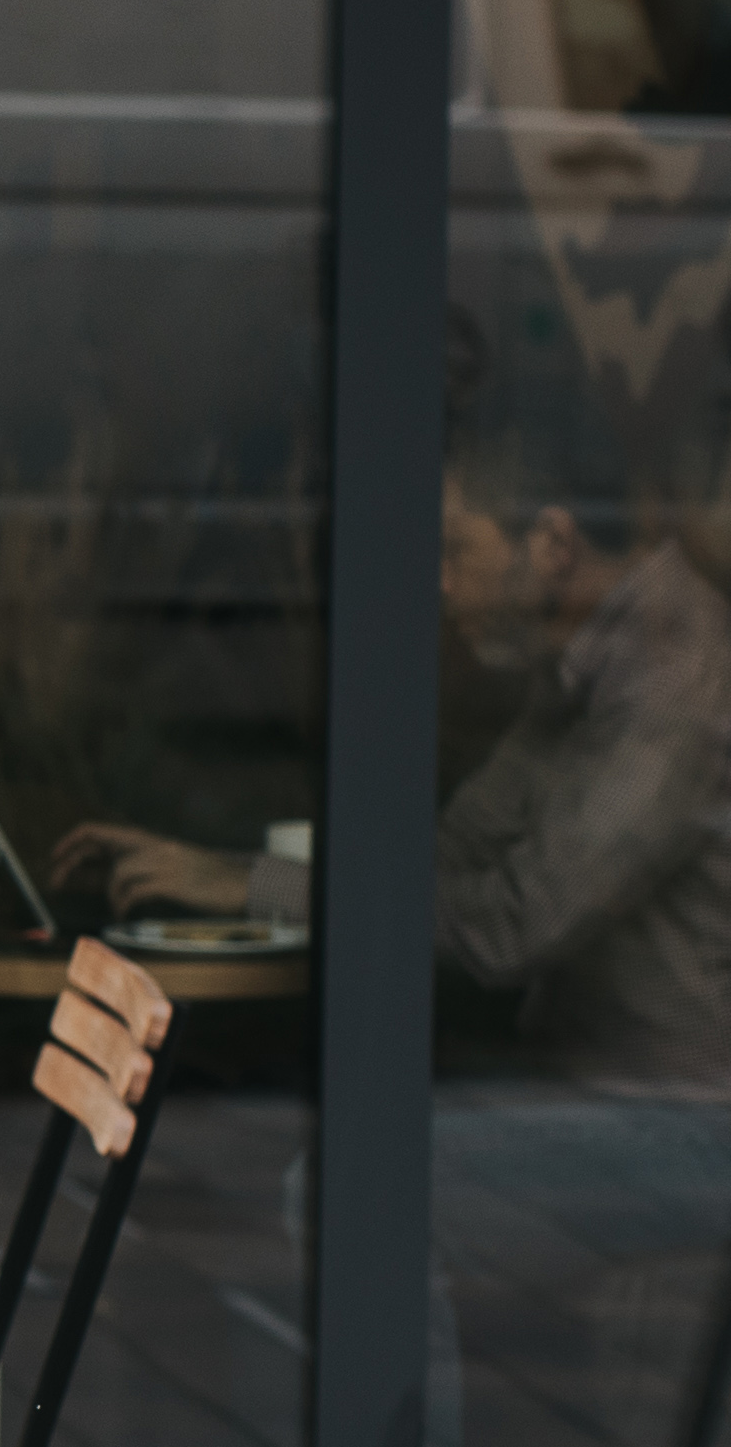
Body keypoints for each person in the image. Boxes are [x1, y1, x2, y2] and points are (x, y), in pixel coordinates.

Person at [62, 445, 731, 1083]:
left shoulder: (676, 681)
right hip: (576, 1083)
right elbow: (453, 853)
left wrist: (254, 891)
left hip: (663, 1120)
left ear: (555, 545)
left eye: (455, 548)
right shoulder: (591, 654)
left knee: (313, 1166)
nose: (438, 582)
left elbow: (508, 926)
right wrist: (221, 873)